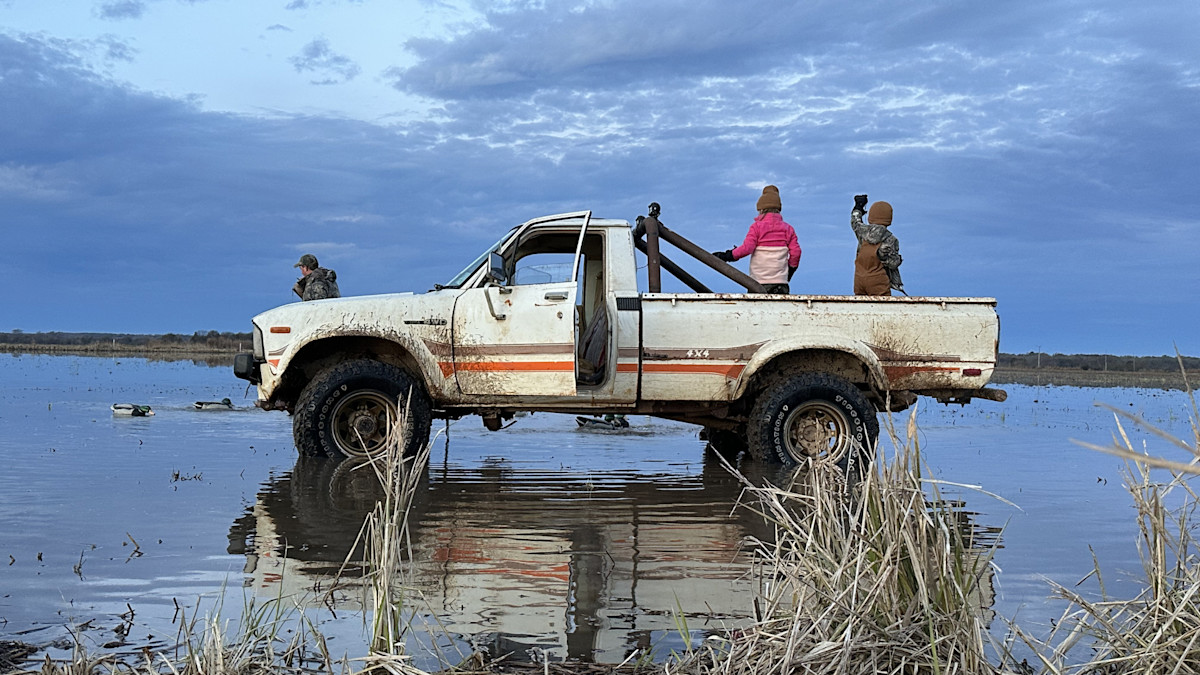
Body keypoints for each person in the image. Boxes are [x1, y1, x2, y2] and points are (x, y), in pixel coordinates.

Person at [711, 185, 801, 294]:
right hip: (780, 283)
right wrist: (789, 273)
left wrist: (727, 256)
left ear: (761, 209)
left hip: (757, 283)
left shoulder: (757, 227)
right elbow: (796, 253)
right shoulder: (788, 229)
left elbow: (747, 248)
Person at [850, 194, 904, 296]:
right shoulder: (891, 239)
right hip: (878, 280)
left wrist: (858, 206)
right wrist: (898, 259)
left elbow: (855, 221)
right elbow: (892, 263)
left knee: (861, 308)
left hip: (859, 279)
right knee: (882, 308)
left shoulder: (862, 232)